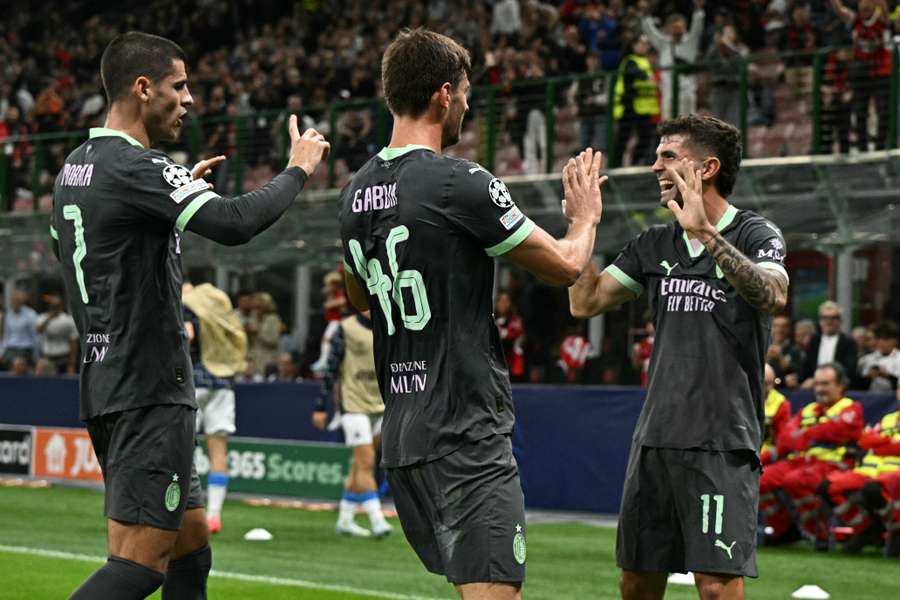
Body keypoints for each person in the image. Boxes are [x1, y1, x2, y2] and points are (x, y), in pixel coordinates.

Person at [51, 31, 328, 600]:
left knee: (192, 546)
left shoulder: (73, 169)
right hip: (148, 384)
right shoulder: (138, 166)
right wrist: (297, 168)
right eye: (179, 87)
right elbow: (234, 223)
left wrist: (168, 199)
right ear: (143, 86)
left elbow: (103, 253)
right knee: (138, 565)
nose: (189, 99)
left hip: (108, 378)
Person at [339, 28, 603, 600]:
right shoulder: (460, 180)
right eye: (464, 94)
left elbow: (359, 298)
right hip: (464, 427)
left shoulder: (354, 191)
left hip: (404, 433)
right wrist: (585, 218)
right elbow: (564, 266)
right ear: (442, 95)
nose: (466, 105)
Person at [569, 114, 789, 600]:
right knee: (637, 582)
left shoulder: (756, 233)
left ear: (707, 168)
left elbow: (773, 294)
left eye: (668, 156)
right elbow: (585, 302)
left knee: (715, 587)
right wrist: (582, 226)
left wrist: (708, 235)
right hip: (655, 438)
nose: (655, 167)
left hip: (721, 441)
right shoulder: (654, 244)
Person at [760, 363, 863, 549]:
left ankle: (819, 533)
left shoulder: (851, 408)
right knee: (760, 478)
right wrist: (813, 435)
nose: (820, 389)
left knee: (795, 480)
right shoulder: (808, 409)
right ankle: (783, 529)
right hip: (802, 462)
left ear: (840, 385)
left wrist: (804, 435)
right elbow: (784, 439)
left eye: (825, 384)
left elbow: (837, 431)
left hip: (834, 464)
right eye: (817, 384)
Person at [312, 309, 392, 539]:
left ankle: (345, 520)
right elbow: (330, 369)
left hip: (380, 404)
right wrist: (320, 406)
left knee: (360, 465)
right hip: (353, 405)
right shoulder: (345, 328)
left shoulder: (388, 326)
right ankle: (377, 519)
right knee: (366, 462)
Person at [183, 281, 248, 535]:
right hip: (223, 384)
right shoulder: (219, 312)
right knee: (218, 449)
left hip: (196, 381)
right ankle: (214, 515)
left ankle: (182, 511)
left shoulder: (188, 308)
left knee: (182, 448)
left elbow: (187, 336)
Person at [818, 390, 900, 554]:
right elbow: (864, 440)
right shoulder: (888, 419)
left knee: (873, 489)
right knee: (827, 486)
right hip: (867, 472)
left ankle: (896, 531)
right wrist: (887, 443)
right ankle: (864, 528)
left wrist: (879, 444)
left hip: (894, 473)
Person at [830, 0, 891, 151]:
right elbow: (839, 10)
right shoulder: (854, 20)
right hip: (861, 75)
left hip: (881, 74)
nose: (864, 6)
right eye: (861, 3)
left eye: (868, 2)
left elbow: (885, 10)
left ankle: (880, 148)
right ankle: (863, 149)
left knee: (883, 112)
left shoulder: (881, 19)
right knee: (860, 113)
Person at [639, 0, 706, 119]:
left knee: (687, 127)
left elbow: (697, 25)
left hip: (686, 92)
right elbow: (650, 31)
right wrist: (646, 13)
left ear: (685, 27)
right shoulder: (664, 44)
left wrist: (698, 8)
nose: (677, 30)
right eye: (674, 27)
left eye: (680, 27)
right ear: (669, 28)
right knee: (668, 126)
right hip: (668, 91)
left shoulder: (690, 42)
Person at [612, 35, 660, 168]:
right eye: (642, 43)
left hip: (642, 108)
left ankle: (635, 163)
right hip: (629, 106)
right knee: (622, 139)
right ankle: (615, 166)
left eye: (646, 44)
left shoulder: (644, 61)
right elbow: (633, 72)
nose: (645, 46)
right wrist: (645, 76)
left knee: (645, 138)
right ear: (634, 45)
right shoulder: (629, 61)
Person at [799, 301, 858, 389]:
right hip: (813, 388)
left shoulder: (848, 342)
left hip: (838, 388)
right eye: (825, 318)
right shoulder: (814, 340)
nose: (829, 321)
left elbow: (849, 370)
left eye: (833, 318)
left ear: (840, 321)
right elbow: (806, 366)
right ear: (820, 321)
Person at [35, 289, 79, 375]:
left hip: (63, 357)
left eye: (56, 305)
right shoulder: (42, 317)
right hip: (48, 357)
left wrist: (72, 364)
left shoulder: (68, 320)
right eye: (52, 305)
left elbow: (74, 342)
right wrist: (50, 317)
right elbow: (38, 330)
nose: (54, 307)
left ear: (61, 305)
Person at [759, 363, 791, 467]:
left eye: (771, 383)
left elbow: (782, 441)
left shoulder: (781, 404)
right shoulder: (742, 399)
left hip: (765, 454)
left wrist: (763, 457)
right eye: (764, 384)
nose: (768, 389)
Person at [1, 288, 38, 370]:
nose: (15, 302)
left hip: (25, 349)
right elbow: (6, 335)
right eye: (13, 300)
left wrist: (37, 355)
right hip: (11, 348)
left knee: (20, 367)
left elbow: (35, 336)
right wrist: (2, 352)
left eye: (18, 300)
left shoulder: (31, 315)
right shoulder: (8, 315)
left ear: (22, 302)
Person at [857, 320, 899, 392]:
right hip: (870, 399)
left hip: (893, 401)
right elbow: (857, 386)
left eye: (886, 339)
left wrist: (888, 376)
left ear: (895, 340)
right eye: (879, 338)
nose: (881, 342)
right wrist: (868, 377)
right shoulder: (865, 360)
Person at [495, 290, 526, 383]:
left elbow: (511, 334)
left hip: (514, 366)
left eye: (507, 301)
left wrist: (500, 331)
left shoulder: (516, 320)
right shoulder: (492, 319)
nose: (504, 304)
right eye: (501, 301)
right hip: (495, 365)